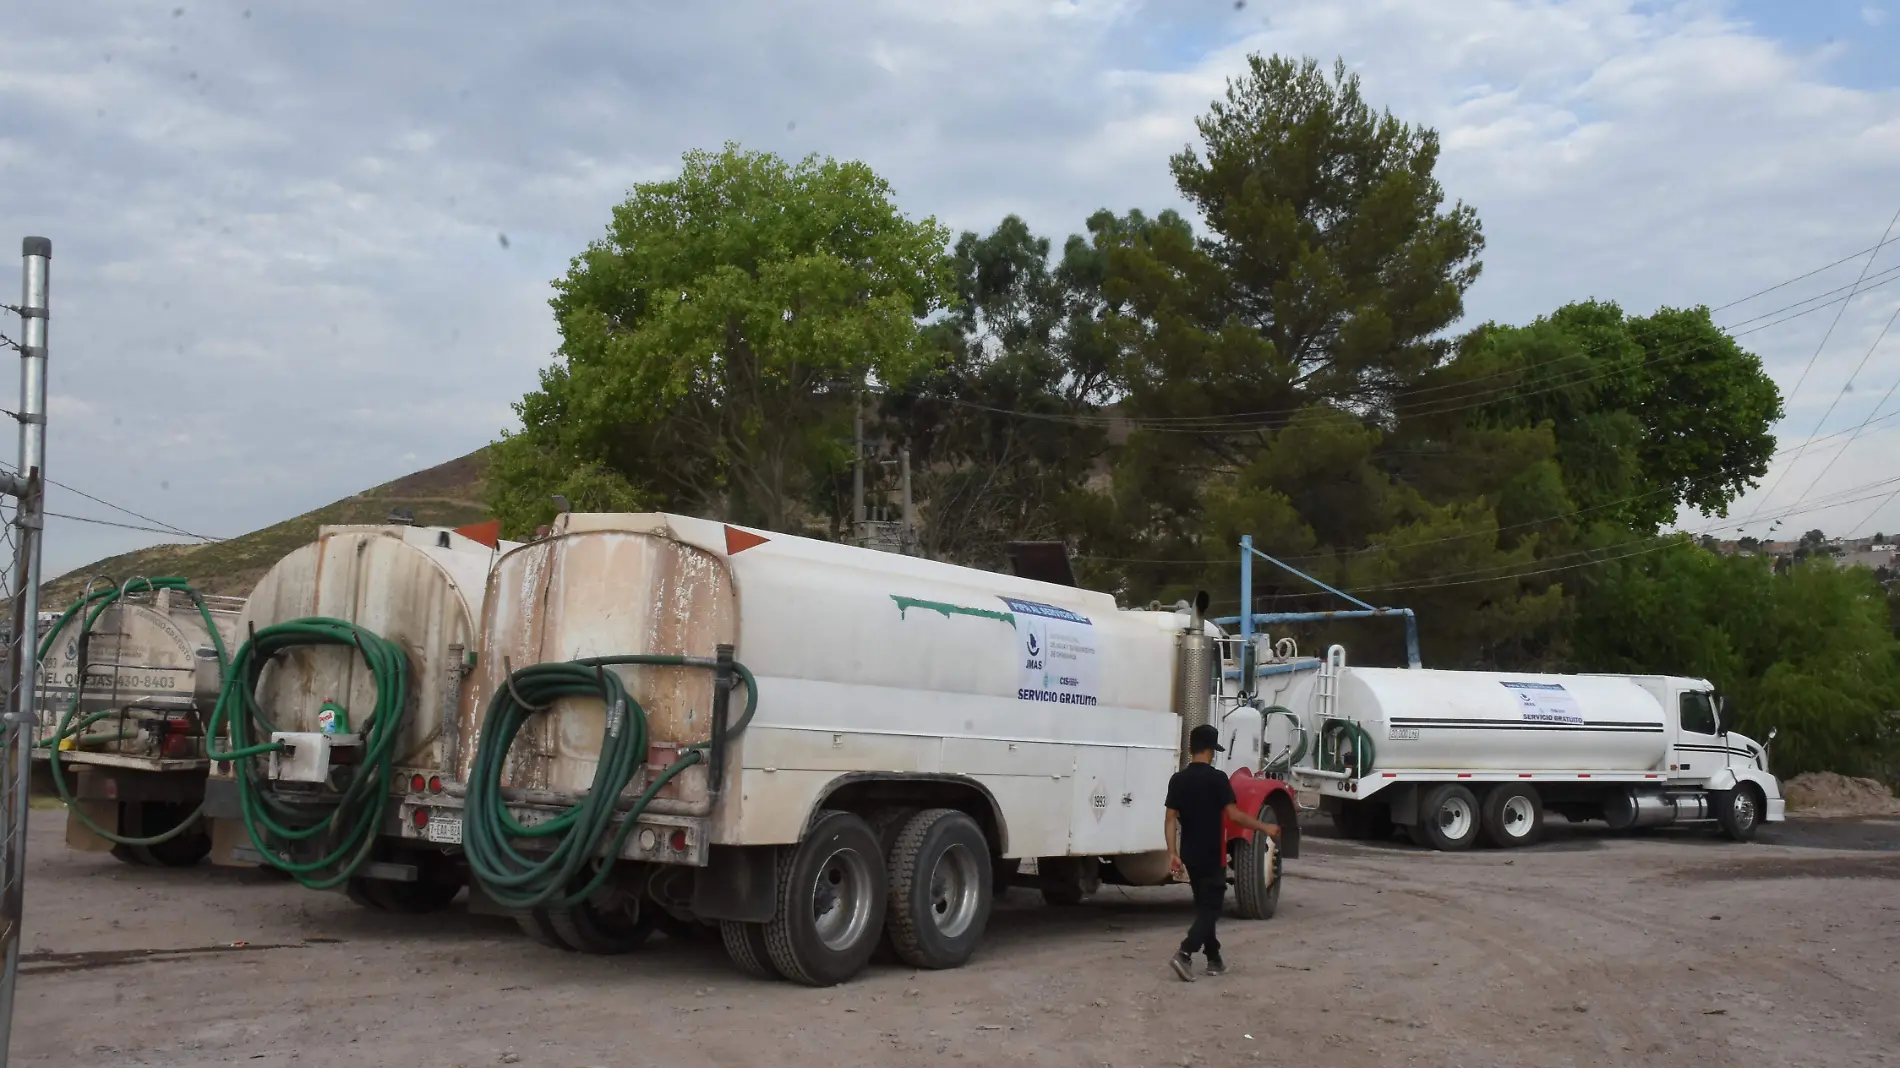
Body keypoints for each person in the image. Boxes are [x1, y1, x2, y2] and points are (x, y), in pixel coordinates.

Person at [1163, 722, 1279, 981]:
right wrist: (1264, 827)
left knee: (1205, 907)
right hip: (1213, 853)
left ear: (1191, 748)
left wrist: (1172, 852)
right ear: (1212, 751)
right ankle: (1185, 953)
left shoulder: (1178, 779)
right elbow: (1234, 815)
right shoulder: (1217, 779)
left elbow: (1170, 818)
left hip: (1190, 854)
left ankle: (1214, 958)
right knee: (1211, 909)